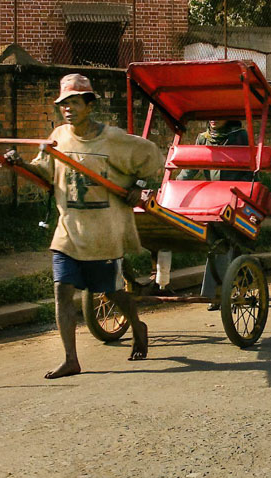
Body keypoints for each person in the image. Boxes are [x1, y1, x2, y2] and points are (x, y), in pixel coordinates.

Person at [26, 73, 166, 379]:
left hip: (103, 231)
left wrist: (137, 186)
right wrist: (17, 163)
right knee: (62, 290)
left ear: (89, 106)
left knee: (112, 291)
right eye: (64, 104)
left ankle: (137, 325)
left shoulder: (112, 139)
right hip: (68, 230)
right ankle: (70, 359)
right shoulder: (59, 137)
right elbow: (44, 172)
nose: (68, 109)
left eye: (74, 103)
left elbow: (152, 156)